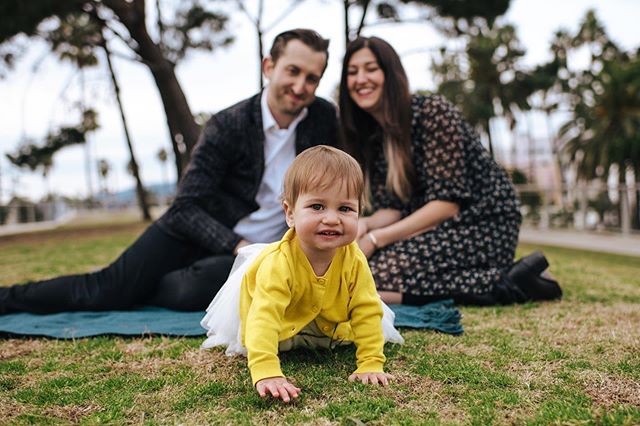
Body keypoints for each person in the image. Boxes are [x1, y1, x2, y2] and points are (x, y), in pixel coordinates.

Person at [0, 29, 338, 314]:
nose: (300, 86)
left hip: (261, 252)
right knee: (103, 292)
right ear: (269, 66)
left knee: (199, 290)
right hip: (196, 232)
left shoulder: (324, 119)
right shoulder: (228, 124)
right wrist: (238, 244)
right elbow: (184, 207)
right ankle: (7, 298)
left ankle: (154, 289)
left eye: (312, 78)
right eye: (292, 71)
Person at [338, 36, 562, 306]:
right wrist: (365, 225)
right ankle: (512, 280)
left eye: (371, 68)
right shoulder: (374, 137)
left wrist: (375, 239)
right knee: (357, 270)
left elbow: (446, 206)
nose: (360, 79)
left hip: (483, 222)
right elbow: (392, 210)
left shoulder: (432, 112)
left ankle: (507, 286)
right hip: (429, 228)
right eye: (352, 72)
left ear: (391, 73)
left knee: (373, 274)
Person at [201, 146, 401, 403]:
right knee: (264, 332)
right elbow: (264, 317)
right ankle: (288, 340)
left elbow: (366, 309)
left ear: (360, 212)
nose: (331, 219)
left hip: (323, 316)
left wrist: (371, 363)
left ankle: (313, 334)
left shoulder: (354, 259)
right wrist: (266, 371)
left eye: (345, 209)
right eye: (317, 206)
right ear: (290, 213)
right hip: (278, 319)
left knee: (356, 323)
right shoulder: (278, 263)